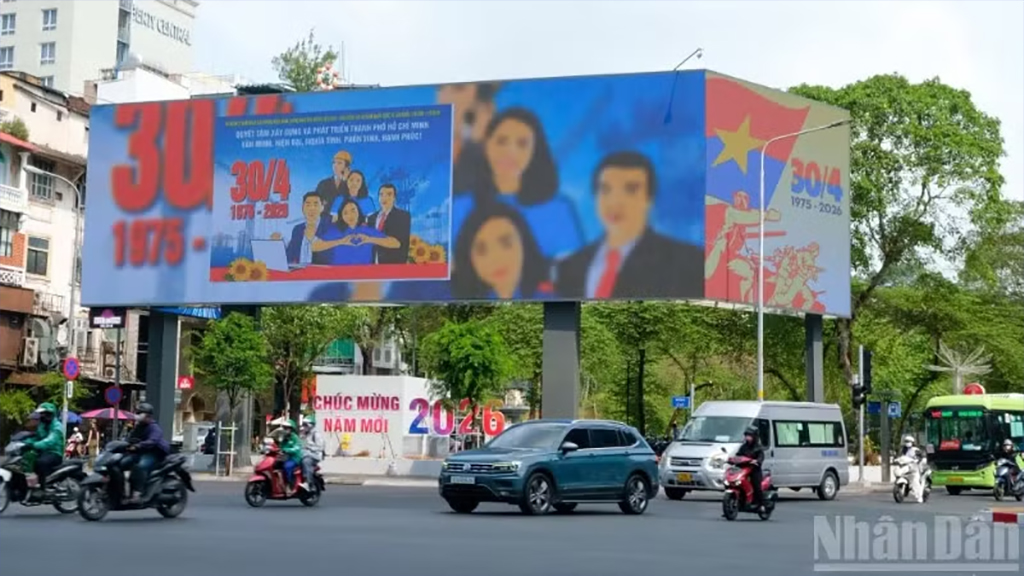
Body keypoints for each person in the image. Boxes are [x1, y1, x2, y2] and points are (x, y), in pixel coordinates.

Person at [554, 151, 705, 300]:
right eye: (605, 190)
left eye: (630, 190)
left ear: (649, 198)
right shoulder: (569, 268)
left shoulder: (687, 264)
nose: (615, 202)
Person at [451, 107, 584, 261]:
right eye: (501, 141)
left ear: (535, 152)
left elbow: (572, 273)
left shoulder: (558, 211)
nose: (510, 152)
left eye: (522, 144)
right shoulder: (459, 208)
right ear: (486, 146)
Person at [451, 201, 552, 300]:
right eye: (481, 251)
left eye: (506, 244)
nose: (496, 259)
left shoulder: (550, 297)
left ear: (524, 244)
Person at [316, 199, 395, 266]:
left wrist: (370, 239)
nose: (350, 215)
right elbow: (315, 246)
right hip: (339, 276)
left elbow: (394, 243)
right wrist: (339, 242)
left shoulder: (367, 230)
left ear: (359, 211)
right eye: (345, 213)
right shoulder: (334, 230)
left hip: (363, 277)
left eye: (353, 210)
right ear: (341, 216)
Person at [125, 403, 169, 504]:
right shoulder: (138, 427)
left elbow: (153, 441)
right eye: (137, 412)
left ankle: (138, 493)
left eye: (140, 413)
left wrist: (139, 445)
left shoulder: (154, 427)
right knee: (122, 462)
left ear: (148, 416)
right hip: (139, 452)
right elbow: (130, 438)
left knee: (140, 467)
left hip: (154, 453)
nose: (137, 415)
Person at [270, 192, 328, 265]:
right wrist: (280, 242)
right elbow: (290, 256)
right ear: (302, 208)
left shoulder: (328, 228)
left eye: (316, 205)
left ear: (322, 207)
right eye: (308, 205)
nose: (311, 208)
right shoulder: (297, 229)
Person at [366, 183, 412, 265]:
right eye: (381, 195)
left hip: (394, 266)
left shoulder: (403, 216)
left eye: (389, 194)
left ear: (394, 198)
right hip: (373, 265)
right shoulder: (371, 218)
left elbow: (398, 243)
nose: (384, 198)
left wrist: (370, 239)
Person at [22, 403, 64, 490]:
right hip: (43, 451)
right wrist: (25, 443)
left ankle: (44, 485)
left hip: (54, 453)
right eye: (41, 414)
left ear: (50, 414)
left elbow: (49, 441)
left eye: (44, 414)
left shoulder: (57, 426)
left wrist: (34, 445)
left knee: (40, 462)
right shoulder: (42, 425)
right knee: (25, 458)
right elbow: (36, 437)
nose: (42, 416)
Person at [735, 425, 765, 511]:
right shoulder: (743, 447)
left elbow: (761, 457)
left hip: (754, 470)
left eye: (750, 436)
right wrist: (734, 460)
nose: (748, 438)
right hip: (743, 469)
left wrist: (757, 461)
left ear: (755, 437)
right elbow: (738, 455)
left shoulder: (758, 448)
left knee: (756, 485)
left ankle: (761, 504)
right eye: (747, 435)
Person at [278, 420, 304, 493]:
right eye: (284, 428)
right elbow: (280, 447)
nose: (285, 430)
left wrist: (286, 450)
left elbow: (296, 449)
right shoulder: (284, 438)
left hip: (295, 458)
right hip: (286, 457)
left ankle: (290, 484)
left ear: (291, 429)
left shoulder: (295, 438)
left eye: (286, 428)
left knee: (287, 466)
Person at [299, 419, 325, 492]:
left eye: (305, 425)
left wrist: (308, 447)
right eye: (303, 424)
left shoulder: (316, 434)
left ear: (311, 425)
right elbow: (299, 443)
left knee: (306, 461)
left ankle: (308, 482)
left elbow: (320, 447)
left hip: (314, 455)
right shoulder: (304, 434)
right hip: (304, 453)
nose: (304, 427)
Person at [900, 435, 926, 503]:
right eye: (906, 441)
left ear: (912, 442)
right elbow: (901, 457)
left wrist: (917, 460)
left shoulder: (915, 450)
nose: (907, 443)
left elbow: (921, 456)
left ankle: (919, 497)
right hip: (906, 467)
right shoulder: (904, 450)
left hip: (915, 468)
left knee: (915, 481)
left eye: (908, 441)